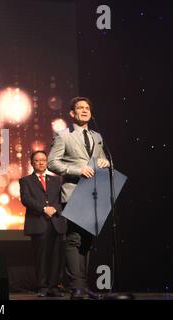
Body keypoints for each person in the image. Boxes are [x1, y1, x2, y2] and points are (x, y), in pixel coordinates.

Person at [48, 97, 109, 299]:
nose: (84, 110)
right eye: (80, 108)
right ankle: (76, 286)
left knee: (87, 241)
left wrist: (104, 162)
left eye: (87, 108)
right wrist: (77, 170)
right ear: (72, 114)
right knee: (74, 239)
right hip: (73, 192)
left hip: (93, 194)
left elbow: (101, 159)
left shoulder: (97, 136)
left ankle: (84, 285)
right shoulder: (63, 136)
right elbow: (52, 163)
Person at [19, 150, 67, 297]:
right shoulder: (26, 180)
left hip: (56, 223)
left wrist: (55, 209)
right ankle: (43, 287)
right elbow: (26, 199)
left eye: (44, 160)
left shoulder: (57, 180)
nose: (41, 162)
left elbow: (62, 200)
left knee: (56, 256)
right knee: (41, 257)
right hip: (39, 223)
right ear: (32, 163)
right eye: (37, 160)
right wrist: (43, 208)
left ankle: (54, 286)